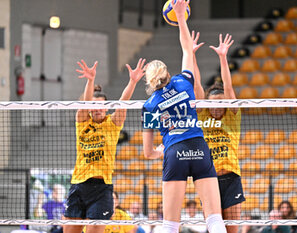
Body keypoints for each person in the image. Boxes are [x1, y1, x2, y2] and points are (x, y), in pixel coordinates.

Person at [142, 1, 227, 233]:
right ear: (168, 73)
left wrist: (161, 150)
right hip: (199, 147)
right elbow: (187, 50)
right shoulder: (183, 82)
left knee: (170, 224)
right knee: (214, 219)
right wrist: (181, 17)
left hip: (173, 152)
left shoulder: (149, 105)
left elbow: (147, 153)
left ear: (150, 82)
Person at [63, 58, 146, 233]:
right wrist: (90, 80)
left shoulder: (113, 124)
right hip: (78, 185)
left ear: (107, 108)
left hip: (101, 189)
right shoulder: (83, 121)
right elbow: (84, 105)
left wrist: (132, 81)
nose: (97, 109)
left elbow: (123, 101)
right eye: (94, 106)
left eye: (102, 106)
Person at [192, 31, 245, 233]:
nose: (217, 107)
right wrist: (192, 55)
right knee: (214, 229)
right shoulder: (202, 115)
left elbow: (229, 87)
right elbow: (196, 84)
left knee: (231, 230)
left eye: (221, 103)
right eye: (213, 103)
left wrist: (223, 58)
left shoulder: (232, 117)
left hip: (231, 177)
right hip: (208, 179)